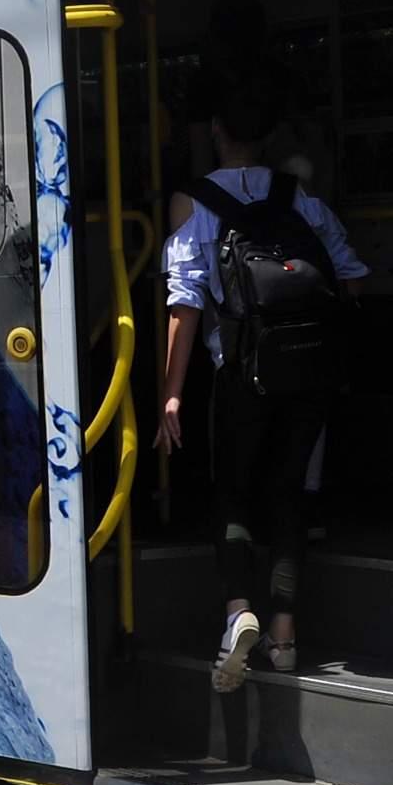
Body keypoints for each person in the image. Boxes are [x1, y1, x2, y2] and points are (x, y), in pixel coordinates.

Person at [156, 72, 368, 691]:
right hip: (309, 372)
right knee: (290, 496)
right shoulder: (300, 197)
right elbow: (352, 278)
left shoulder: (191, 203)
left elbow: (184, 305)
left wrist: (171, 391)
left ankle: (237, 613)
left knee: (233, 494)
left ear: (215, 131)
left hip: (242, 376)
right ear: (270, 135)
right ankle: (283, 636)